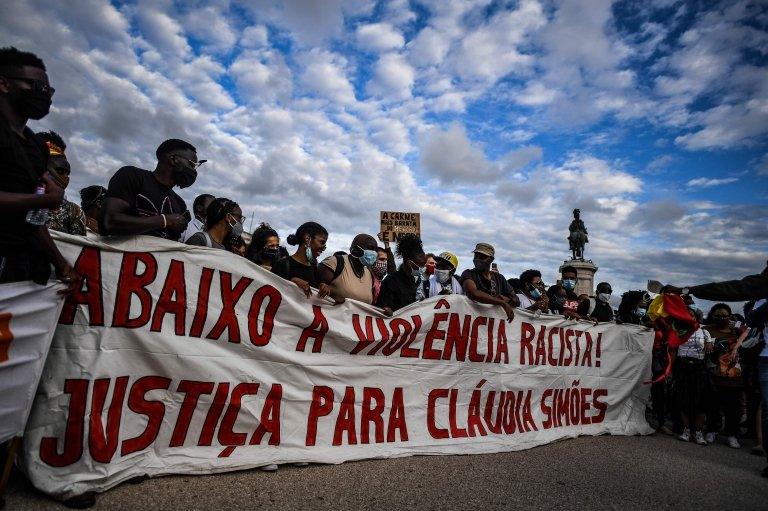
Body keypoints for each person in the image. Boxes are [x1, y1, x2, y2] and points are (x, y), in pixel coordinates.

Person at [0, 47, 78, 289]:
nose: (44, 95)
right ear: (4, 84)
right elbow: (36, 204)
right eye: (36, 86)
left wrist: (60, 262)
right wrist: (39, 201)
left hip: (20, 265)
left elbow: (34, 220)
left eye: (48, 90)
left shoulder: (36, 146)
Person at [101, 138, 202, 241]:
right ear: (173, 159)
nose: (193, 171)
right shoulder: (132, 176)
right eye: (192, 165)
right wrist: (165, 220)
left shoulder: (179, 203)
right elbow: (109, 222)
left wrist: (180, 226)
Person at [704, 303, 745, 448]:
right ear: (712, 315)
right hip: (714, 374)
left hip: (735, 376)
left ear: (730, 316)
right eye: (718, 315)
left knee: (733, 407)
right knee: (713, 404)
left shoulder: (737, 332)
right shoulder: (707, 330)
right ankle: (712, 430)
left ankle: (731, 434)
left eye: (724, 315)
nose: (721, 317)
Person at [675, 307, 713, 446]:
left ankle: (698, 432)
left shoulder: (704, 331)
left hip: (699, 368)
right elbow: (673, 350)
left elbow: (709, 349)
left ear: (697, 317)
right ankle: (686, 430)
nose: (688, 317)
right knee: (684, 399)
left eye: (691, 315)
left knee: (700, 400)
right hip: (682, 367)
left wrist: (709, 345)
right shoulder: (678, 330)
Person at [38, 131, 86, 235]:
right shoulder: (16, 195)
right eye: (60, 171)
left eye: (67, 173)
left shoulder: (73, 211)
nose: (66, 178)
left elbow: (76, 249)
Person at [271, 222, 331, 300]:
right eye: (322, 242)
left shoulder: (315, 269)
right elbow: (269, 290)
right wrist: (292, 282)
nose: (324, 248)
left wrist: (324, 288)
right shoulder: (282, 264)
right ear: (307, 238)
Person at [460, 243, 517, 322]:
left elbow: (516, 300)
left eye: (482, 257)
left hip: (494, 324)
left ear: (491, 259)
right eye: (476, 256)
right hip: (473, 322)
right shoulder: (469, 273)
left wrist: (507, 300)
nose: (478, 259)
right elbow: (473, 293)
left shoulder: (499, 278)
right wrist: (501, 302)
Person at [319, 234, 378, 304]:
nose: (373, 252)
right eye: (370, 248)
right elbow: (314, 291)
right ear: (355, 249)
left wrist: (383, 312)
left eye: (375, 250)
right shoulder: (334, 262)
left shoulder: (369, 274)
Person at [376, 234, 427, 314]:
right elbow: (381, 309)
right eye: (421, 265)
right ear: (410, 263)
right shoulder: (391, 281)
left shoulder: (419, 281)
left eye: (424, 265)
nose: (423, 268)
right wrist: (386, 311)